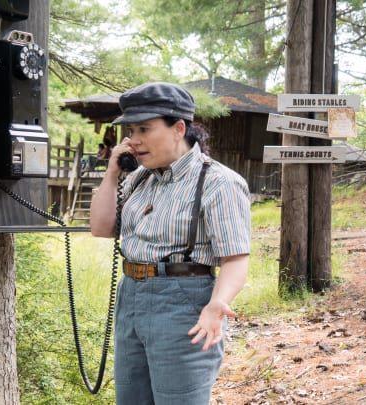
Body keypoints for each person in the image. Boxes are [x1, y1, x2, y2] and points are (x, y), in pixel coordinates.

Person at [89, 82, 251, 404]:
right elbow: (101, 228)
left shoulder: (219, 182)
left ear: (178, 129)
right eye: (131, 130)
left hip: (182, 303)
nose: (134, 140)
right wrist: (112, 173)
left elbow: (235, 258)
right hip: (131, 297)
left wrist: (216, 305)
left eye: (145, 129)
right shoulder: (139, 178)